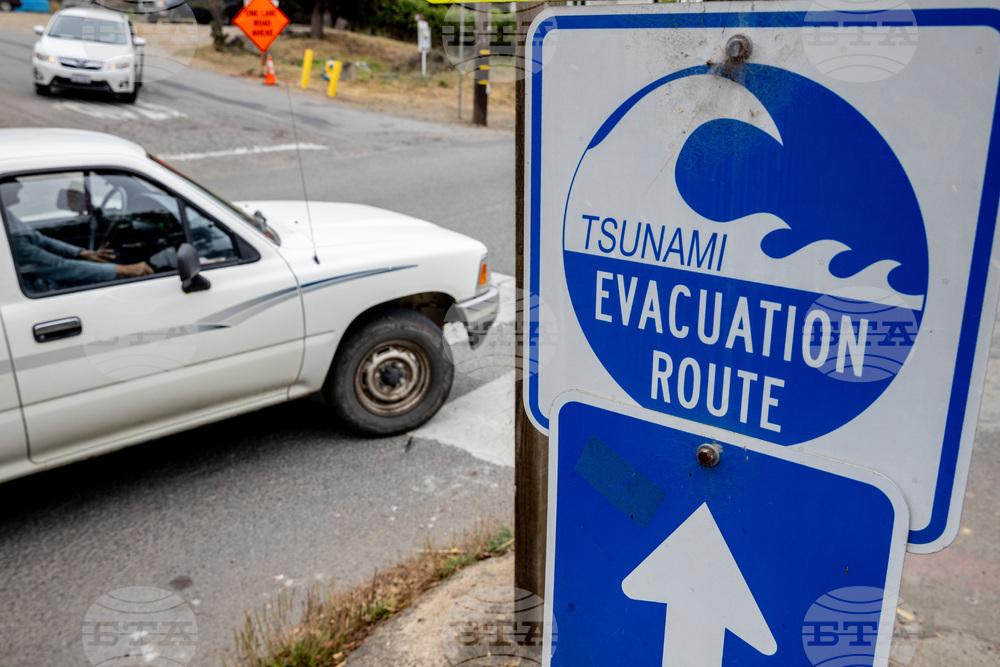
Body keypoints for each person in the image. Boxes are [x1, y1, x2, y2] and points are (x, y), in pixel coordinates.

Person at [0, 179, 153, 293]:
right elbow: (59, 267)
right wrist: (124, 270)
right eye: (10, 182)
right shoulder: (14, 241)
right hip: (35, 289)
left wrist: (82, 253)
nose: (20, 184)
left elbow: (40, 239)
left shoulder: (5, 215)